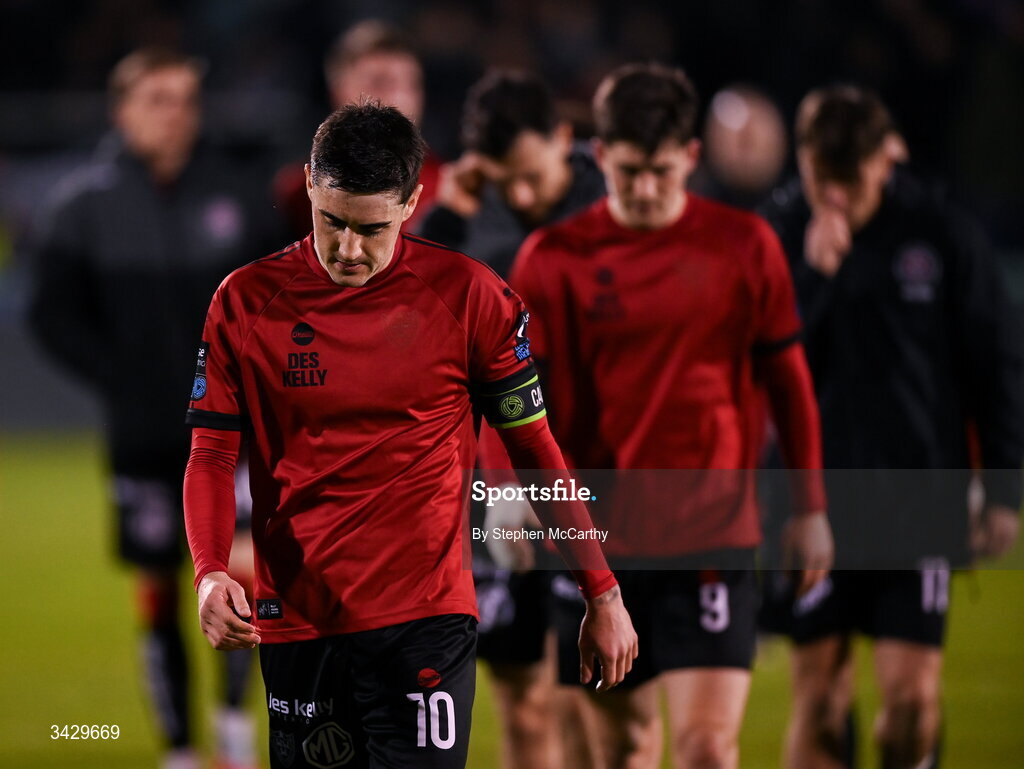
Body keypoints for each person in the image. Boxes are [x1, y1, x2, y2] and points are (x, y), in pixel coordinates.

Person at [182, 102, 638, 769]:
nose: (347, 249)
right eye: (331, 221)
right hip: (300, 618)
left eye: (370, 229)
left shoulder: (470, 297)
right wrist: (210, 570)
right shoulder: (245, 302)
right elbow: (213, 451)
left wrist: (601, 590)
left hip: (425, 620)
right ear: (309, 184)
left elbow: (536, 451)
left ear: (413, 202)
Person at [504, 62, 833, 769]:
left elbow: (788, 380)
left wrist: (810, 505)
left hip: (711, 535)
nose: (646, 189)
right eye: (628, 172)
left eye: (660, 169)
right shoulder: (553, 259)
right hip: (597, 542)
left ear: (690, 156)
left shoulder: (745, 246)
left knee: (708, 748)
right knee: (624, 751)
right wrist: (504, 489)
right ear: (600, 157)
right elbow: (513, 397)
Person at [28, 47, 280, 769]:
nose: (176, 114)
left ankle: (232, 726)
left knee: (237, 575)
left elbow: (275, 297)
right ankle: (178, 746)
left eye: (185, 100)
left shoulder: (233, 191)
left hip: (233, 435)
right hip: (142, 437)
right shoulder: (84, 206)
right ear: (122, 111)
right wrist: (120, 377)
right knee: (159, 587)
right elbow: (52, 316)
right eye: (159, 99)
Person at [759, 85, 1024, 769]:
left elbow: (995, 363)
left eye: (854, 179)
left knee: (908, 704)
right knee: (819, 698)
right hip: (812, 503)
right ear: (803, 161)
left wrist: (1001, 490)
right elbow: (749, 361)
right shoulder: (780, 235)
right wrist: (813, 279)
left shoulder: (941, 233)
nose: (839, 196)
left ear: (892, 157)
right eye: (825, 180)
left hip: (918, 501)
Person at [418, 68, 607, 769]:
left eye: (532, 176)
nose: (522, 196)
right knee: (523, 702)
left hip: (588, 473)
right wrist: (445, 215)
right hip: (488, 480)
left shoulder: (613, 203)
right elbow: (408, 320)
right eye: (506, 181)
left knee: (589, 695)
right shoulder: (465, 220)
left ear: (565, 138)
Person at [273, 19, 440, 239]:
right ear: (338, 92)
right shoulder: (297, 194)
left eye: (410, 85)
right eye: (381, 83)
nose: (400, 99)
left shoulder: (447, 188)